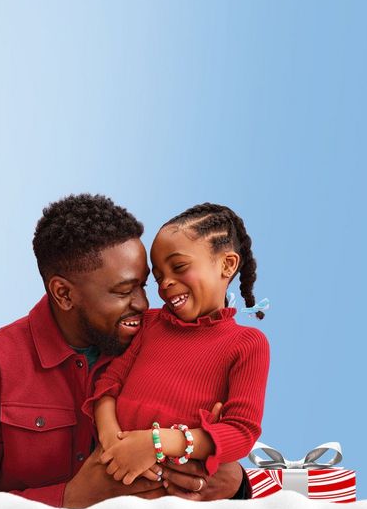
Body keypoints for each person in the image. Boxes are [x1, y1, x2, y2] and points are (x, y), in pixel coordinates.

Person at [0, 194, 250, 507]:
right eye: (122, 291)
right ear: (64, 294)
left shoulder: (170, 339)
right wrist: (70, 499)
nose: (145, 303)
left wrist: (235, 484)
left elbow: (221, 441)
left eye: (144, 285)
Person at [87, 203, 270, 489]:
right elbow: (109, 383)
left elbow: (241, 431)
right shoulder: (149, 324)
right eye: (158, 277)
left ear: (227, 264)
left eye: (179, 267)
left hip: (174, 492)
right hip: (110, 469)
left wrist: (155, 444)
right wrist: (112, 441)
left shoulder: (247, 344)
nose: (166, 284)